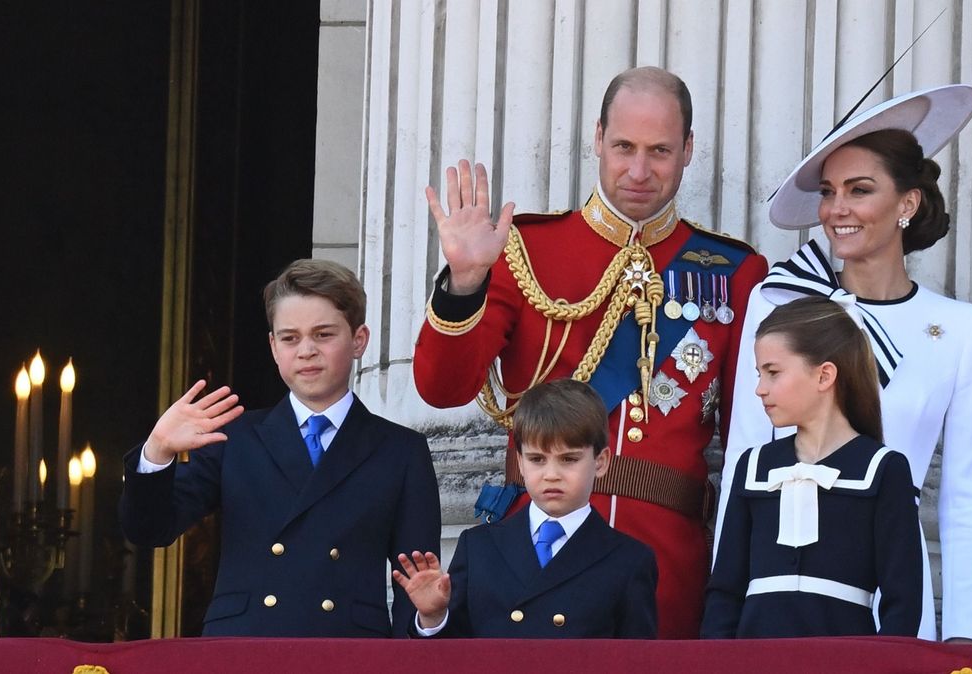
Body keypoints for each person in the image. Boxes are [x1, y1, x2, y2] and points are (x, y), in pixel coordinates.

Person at [413, 66, 768, 638]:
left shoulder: (734, 272)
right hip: (533, 553)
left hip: (667, 563)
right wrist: (464, 281)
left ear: (688, 151)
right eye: (624, 146)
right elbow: (442, 388)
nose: (638, 170)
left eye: (660, 151)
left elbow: (750, 436)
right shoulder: (526, 249)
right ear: (597, 138)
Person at [719, 84, 972, 642]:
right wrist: (724, 624)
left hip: (889, 583)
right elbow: (746, 457)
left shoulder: (961, 329)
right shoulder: (781, 302)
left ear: (906, 205)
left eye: (859, 190)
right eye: (828, 191)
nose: (836, 209)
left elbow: (964, 497)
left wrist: (965, 634)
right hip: (775, 587)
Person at [120, 259, 441, 637]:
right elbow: (149, 530)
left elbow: (417, 583)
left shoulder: (400, 451)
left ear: (359, 340)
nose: (306, 350)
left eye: (323, 335)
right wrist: (157, 450)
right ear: (273, 347)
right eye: (290, 338)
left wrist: (429, 622)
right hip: (244, 649)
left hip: (348, 653)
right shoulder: (235, 437)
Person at [702, 296, 922, 638]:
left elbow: (903, 602)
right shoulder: (754, 466)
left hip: (847, 661)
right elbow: (725, 591)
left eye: (773, 373)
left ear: (824, 376)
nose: (760, 389)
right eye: (759, 374)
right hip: (753, 660)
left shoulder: (883, 469)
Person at [394, 379, 658, 638]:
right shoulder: (478, 547)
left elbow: (635, 661)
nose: (551, 474)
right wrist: (433, 617)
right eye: (537, 459)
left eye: (568, 459)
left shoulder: (629, 560)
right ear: (520, 462)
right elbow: (452, 657)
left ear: (600, 462)